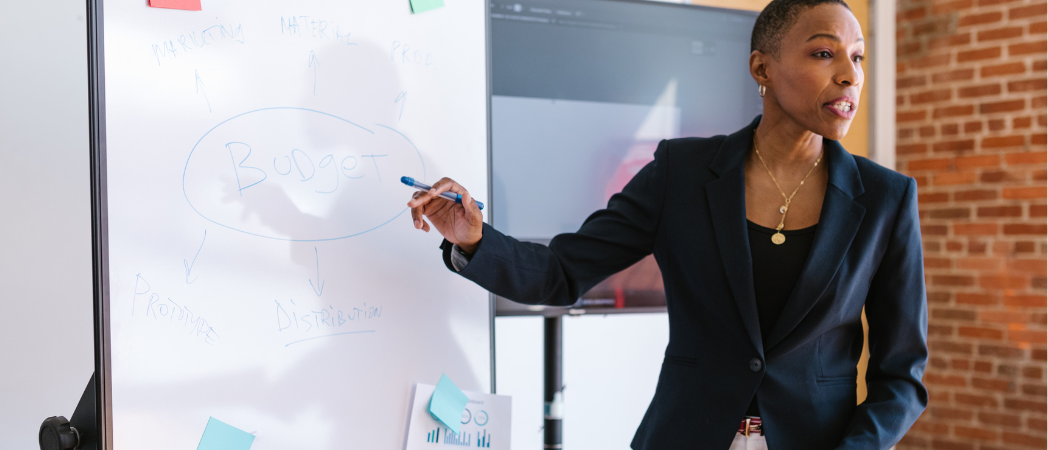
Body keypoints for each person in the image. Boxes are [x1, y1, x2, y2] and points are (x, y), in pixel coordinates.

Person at [406, 0, 928, 448]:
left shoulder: (886, 198)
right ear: (762, 68)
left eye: (857, 57)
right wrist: (473, 239)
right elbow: (562, 272)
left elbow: (901, 376)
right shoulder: (683, 173)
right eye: (824, 53)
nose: (850, 75)